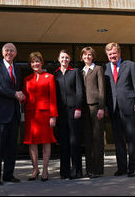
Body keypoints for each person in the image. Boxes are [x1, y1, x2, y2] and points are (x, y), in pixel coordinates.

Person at [0, 43, 25, 186]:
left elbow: (19, 88)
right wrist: (14, 94)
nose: (9, 52)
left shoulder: (17, 69)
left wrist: (20, 95)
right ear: (3, 53)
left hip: (14, 114)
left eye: (12, 50)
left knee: (11, 147)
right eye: (7, 50)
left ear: (15, 53)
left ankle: (9, 175)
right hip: (0, 114)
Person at [104, 42, 135, 177]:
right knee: (118, 140)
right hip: (114, 109)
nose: (112, 56)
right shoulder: (106, 68)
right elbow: (106, 90)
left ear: (119, 53)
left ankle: (133, 168)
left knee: (131, 139)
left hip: (129, 106)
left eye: (114, 53)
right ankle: (121, 168)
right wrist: (106, 106)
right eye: (110, 54)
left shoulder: (130, 65)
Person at [22, 52, 58, 182]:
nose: (35, 64)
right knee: (32, 142)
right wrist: (21, 97)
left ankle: (44, 170)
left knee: (46, 142)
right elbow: (25, 98)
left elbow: (53, 98)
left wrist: (53, 115)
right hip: (31, 115)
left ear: (42, 62)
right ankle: (35, 169)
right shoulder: (27, 79)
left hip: (45, 115)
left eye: (37, 61)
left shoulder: (50, 77)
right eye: (33, 62)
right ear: (31, 64)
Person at [54, 50, 84, 180]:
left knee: (74, 141)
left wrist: (78, 107)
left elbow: (79, 91)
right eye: (62, 57)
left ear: (69, 59)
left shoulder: (75, 72)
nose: (64, 59)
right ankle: (64, 172)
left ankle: (76, 171)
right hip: (60, 112)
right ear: (59, 59)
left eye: (66, 57)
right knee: (64, 142)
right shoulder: (55, 74)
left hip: (73, 110)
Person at [80, 46, 106, 178]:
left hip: (96, 107)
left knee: (98, 139)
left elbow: (102, 89)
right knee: (88, 139)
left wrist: (101, 107)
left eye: (89, 55)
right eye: (85, 55)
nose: (87, 57)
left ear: (93, 56)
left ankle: (98, 169)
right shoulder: (81, 71)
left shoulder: (98, 69)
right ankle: (89, 169)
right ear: (82, 57)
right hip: (85, 109)